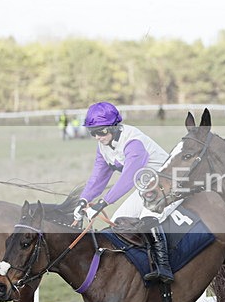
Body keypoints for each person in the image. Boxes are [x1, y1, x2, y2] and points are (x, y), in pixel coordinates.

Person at [73, 102, 175, 283]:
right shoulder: (104, 146)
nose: (97, 136)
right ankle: (138, 263)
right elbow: (98, 177)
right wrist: (83, 200)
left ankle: (163, 267)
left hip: (168, 184)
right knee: (120, 220)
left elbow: (127, 179)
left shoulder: (133, 142)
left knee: (147, 216)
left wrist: (102, 203)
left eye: (101, 131)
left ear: (115, 127)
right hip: (147, 186)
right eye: (92, 132)